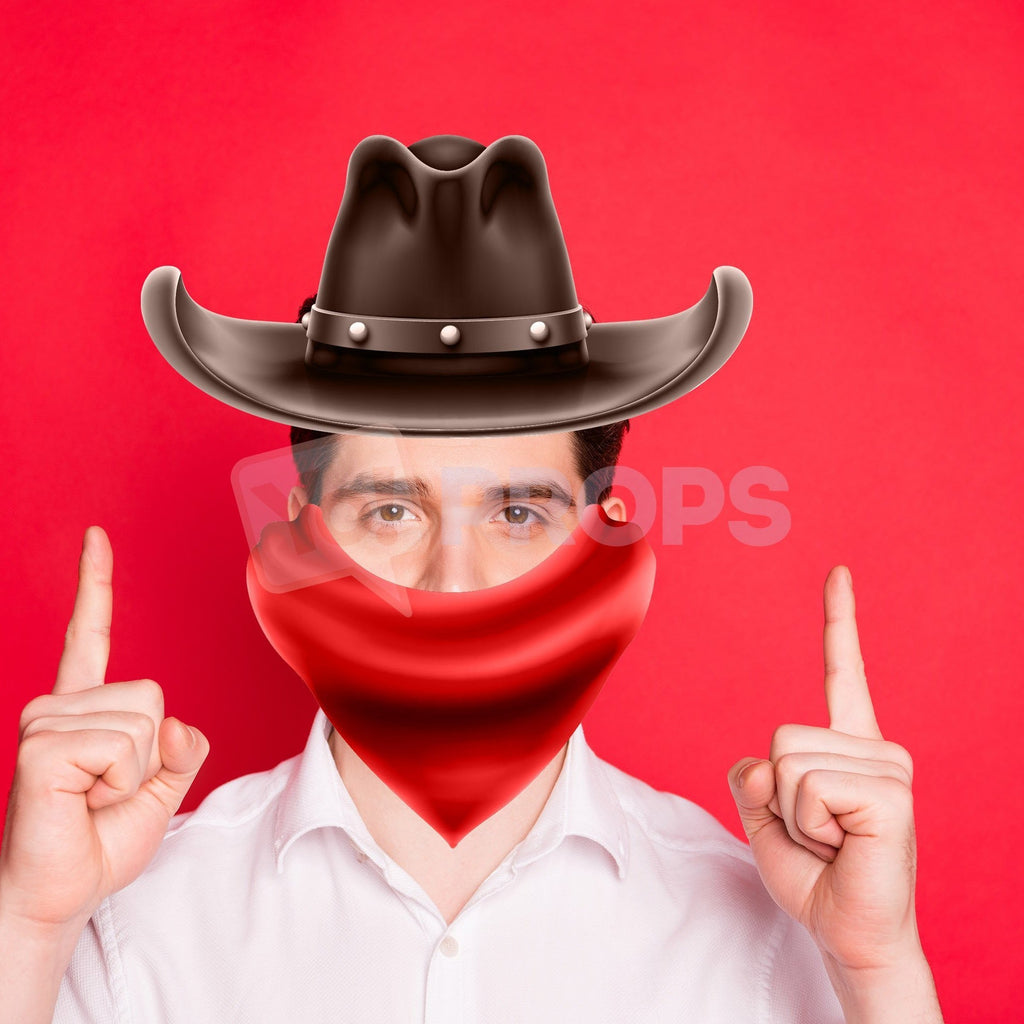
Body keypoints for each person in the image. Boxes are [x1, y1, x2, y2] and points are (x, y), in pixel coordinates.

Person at [0, 132, 944, 1021]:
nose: (453, 579)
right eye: (392, 510)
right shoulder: (134, 919)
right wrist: (28, 926)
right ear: (297, 537)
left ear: (604, 534)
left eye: (518, 511)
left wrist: (879, 968)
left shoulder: (771, 937)